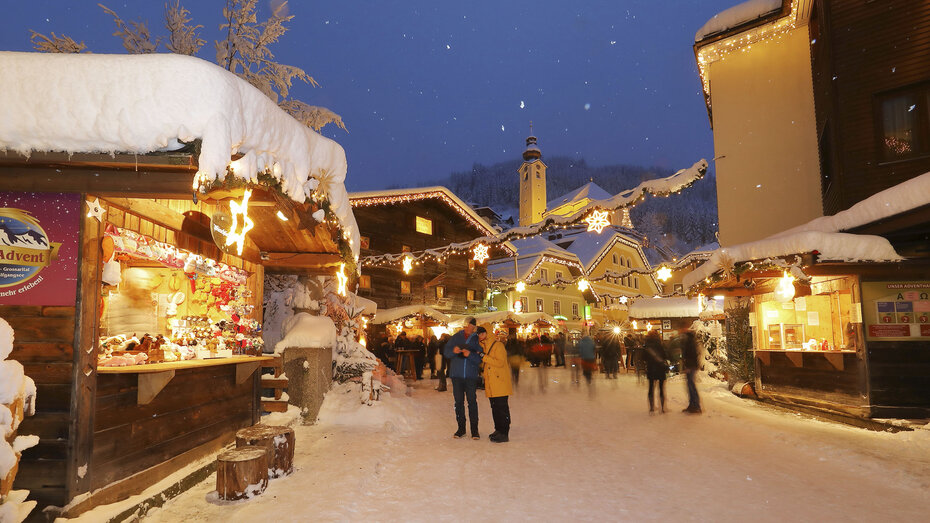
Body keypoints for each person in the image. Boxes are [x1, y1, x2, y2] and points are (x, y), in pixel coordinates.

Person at [443, 317, 482, 439]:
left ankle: (474, 430)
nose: (470, 328)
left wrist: (469, 355)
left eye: (472, 327)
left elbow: (480, 359)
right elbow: (446, 353)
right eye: (468, 326)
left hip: (470, 376)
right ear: (465, 325)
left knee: (472, 402)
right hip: (457, 376)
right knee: (458, 402)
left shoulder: (477, 340)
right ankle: (461, 429)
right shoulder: (455, 337)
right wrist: (453, 351)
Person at [479, 324, 512, 442]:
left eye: (483, 333)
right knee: (495, 408)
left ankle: (504, 433)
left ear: (488, 333)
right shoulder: (484, 347)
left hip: (500, 382)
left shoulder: (498, 345)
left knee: (502, 408)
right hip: (491, 383)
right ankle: (498, 429)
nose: (480, 336)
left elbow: (500, 363)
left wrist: (484, 357)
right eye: (479, 334)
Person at [643, 330, 669, 413]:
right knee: (661, 388)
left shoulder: (646, 345)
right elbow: (665, 355)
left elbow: (643, 357)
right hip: (660, 368)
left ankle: (651, 407)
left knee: (651, 388)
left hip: (651, 368)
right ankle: (662, 408)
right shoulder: (660, 344)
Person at [681, 331, 702, 413]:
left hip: (690, 367)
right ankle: (692, 405)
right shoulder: (690, 342)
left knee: (691, 386)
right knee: (690, 386)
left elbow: (691, 355)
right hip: (690, 366)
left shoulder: (690, 343)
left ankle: (696, 406)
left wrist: (688, 366)